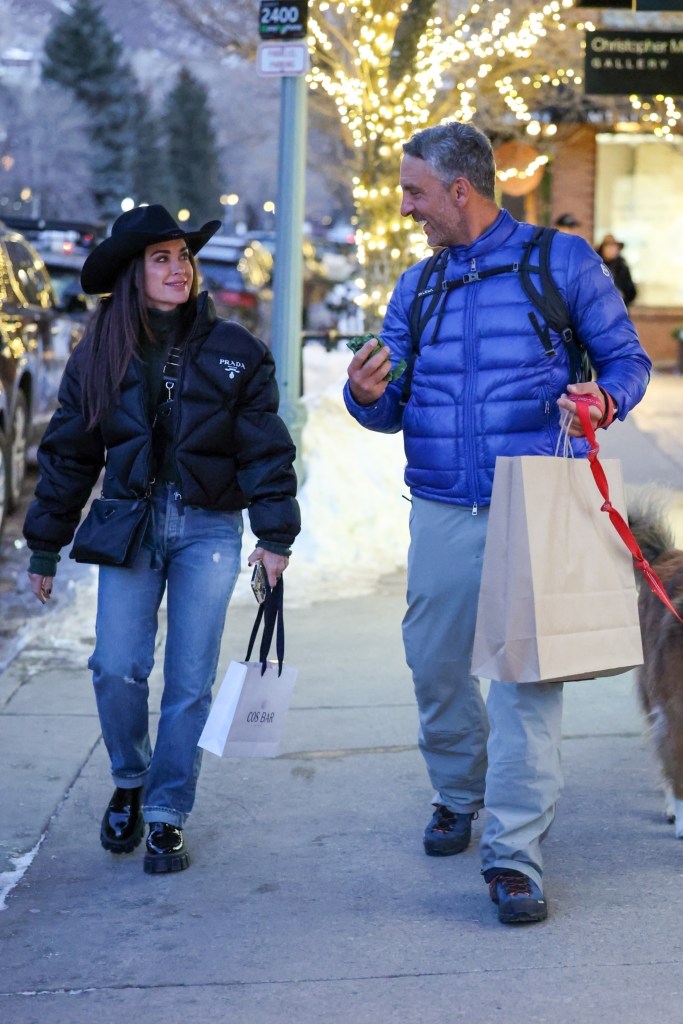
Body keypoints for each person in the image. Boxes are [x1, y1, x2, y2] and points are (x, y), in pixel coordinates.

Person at [344, 122, 651, 924]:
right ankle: (457, 791)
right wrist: (366, 396)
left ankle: (514, 854)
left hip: (534, 500)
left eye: (413, 191)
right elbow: (391, 399)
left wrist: (604, 397)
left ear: (458, 190)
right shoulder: (418, 286)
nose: (404, 205)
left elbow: (626, 360)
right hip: (444, 503)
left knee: (525, 684)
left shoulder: (561, 262)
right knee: (435, 666)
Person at [23, 205, 300, 874]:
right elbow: (68, 452)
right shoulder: (100, 354)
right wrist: (44, 543)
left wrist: (275, 535)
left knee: (188, 681)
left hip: (207, 526)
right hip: (129, 523)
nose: (178, 269)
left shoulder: (236, 351)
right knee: (115, 667)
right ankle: (129, 777)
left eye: (183, 256)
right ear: (132, 274)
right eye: (161, 258)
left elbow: (264, 449)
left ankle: (168, 812)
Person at [596, 233, 637, 307]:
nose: (612, 250)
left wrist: (623, 295)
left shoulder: (622, 268)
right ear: (603, 249)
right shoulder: (596, 267)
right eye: (609, 247)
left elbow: (631, 291)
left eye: (614, 247)